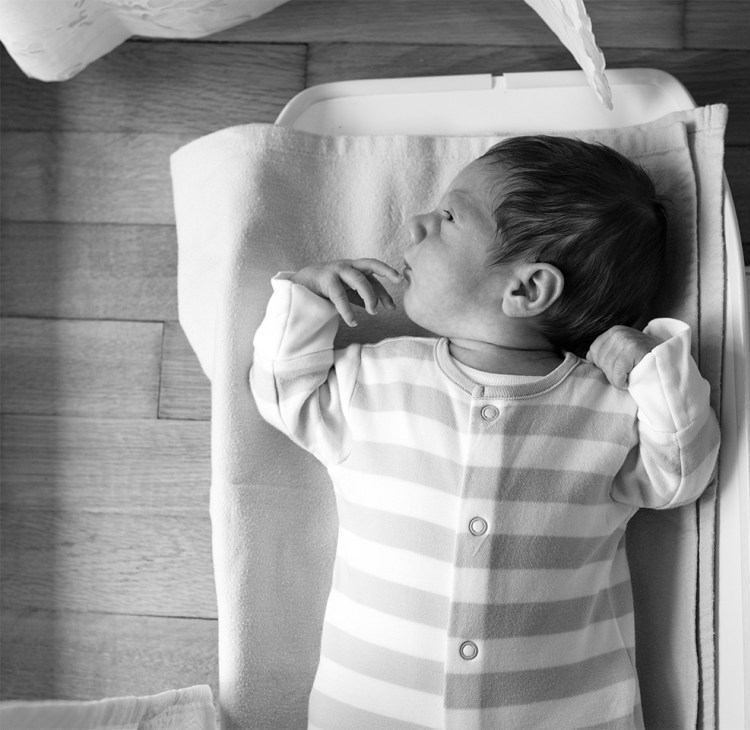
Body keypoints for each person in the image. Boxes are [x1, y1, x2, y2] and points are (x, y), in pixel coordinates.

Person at [250, 135, 720, 729]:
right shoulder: (377, 376)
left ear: (526, 288)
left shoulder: (610, 405)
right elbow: (281, 392)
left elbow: (683, 474)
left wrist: (654, 367)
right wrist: (309, 301)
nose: (417, 223)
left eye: (448, 216)